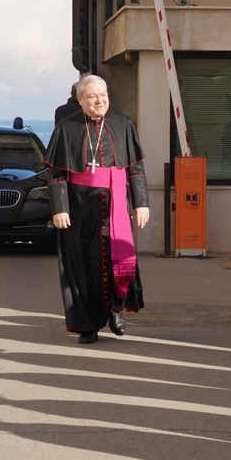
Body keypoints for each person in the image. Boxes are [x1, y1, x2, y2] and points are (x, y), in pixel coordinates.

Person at [45, 74, 150, 345]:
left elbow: (135, 169)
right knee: (84, 265)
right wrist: (60, 209)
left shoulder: (122, 123)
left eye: (103, 95)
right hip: (80, 207)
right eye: (92, 96)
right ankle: (87, 325)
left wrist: (141, 203)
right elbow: (56, 174)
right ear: (80, 100)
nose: (99, 101)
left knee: (121, 261)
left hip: (116, 202)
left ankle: (116, 309)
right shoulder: (67, 128)